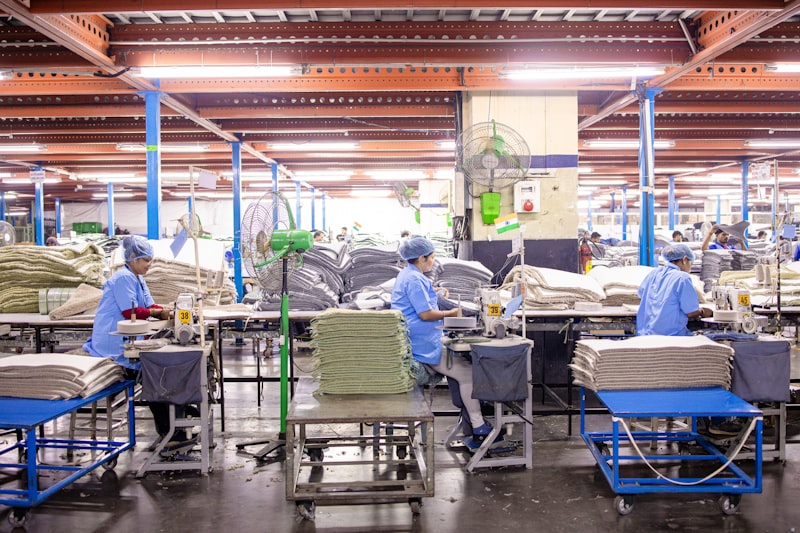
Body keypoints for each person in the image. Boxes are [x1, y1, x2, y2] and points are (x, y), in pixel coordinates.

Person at [82, 236, 194, 451]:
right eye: (146, 261)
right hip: (114, 344)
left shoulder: (137, 278)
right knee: (154, 377)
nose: (149, 266)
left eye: (151, 261)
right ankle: (171, 432)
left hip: (128, 340)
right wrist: (157, 312)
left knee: (160, 373)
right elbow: (131, 312)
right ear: (132, 258)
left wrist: (170, 310)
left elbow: (149, 305)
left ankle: (179, 418)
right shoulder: (123, 278)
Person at [390, 236, 496, 450]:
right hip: (421, 343)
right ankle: (478, 425)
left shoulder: (409, 274)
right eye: (432, 258)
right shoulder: (414, 279)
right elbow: (426, 314)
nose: (433, 262)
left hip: (418, 338)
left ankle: (472, 423)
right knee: (466, 373)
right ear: (421, 258)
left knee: (460, 371)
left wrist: (436, 293)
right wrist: (453, 313)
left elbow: (419, 301)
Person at [636, 244, 712, 337]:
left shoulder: (654, 273)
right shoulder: (682, 278)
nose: (690, 268)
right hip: (671, 337)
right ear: (684, 260)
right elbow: (691, 312)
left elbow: (641, 294)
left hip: (646, 334)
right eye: (690, 263)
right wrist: (704, 311)